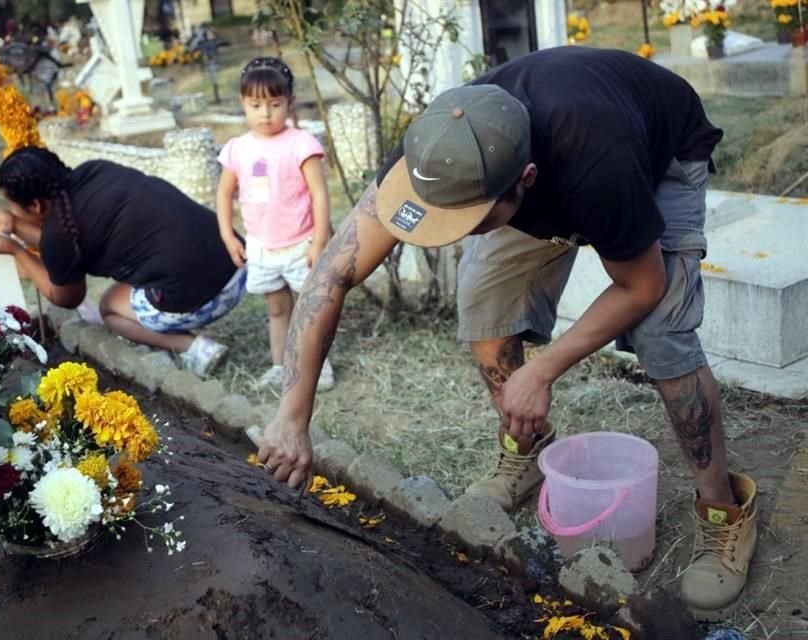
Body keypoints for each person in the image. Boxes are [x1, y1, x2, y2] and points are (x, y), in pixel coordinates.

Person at [256, 46, 756, 622]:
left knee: (662, 334)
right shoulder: (439, 149)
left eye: (467, 221)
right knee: (484, 301)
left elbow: (641, 286)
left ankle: (724, 512)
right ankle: (525, 452)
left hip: (658, 151)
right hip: (541, 166)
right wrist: (293, 417)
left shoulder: (598, 160)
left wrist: (543, 370)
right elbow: (329, 278)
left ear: (526, 182)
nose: (449, 236)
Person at [0, 146, 245, 378]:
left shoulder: (59, 236)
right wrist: (16, 224)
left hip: (211, 299)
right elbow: (65, 244)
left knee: (109, 309)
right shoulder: (96, 170)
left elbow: (65, 296)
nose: (11, 210)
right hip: (237, 264)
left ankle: (195, 350)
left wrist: (17, 251)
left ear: (36, 206)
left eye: (12, 205)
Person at [216, 57, 334, 391]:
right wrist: (228, 235)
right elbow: (224, 194)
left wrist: (319, 242)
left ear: (290, 102)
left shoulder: (301, 144)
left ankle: (318, 368)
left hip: (300, 245)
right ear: (243, 103)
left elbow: (320, 195)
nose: (265, 114)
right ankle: (280, 366)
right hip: (262, 248)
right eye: (255, 105)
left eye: (274, 104)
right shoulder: (237, 149)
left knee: (311, 311)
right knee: (278, 310)